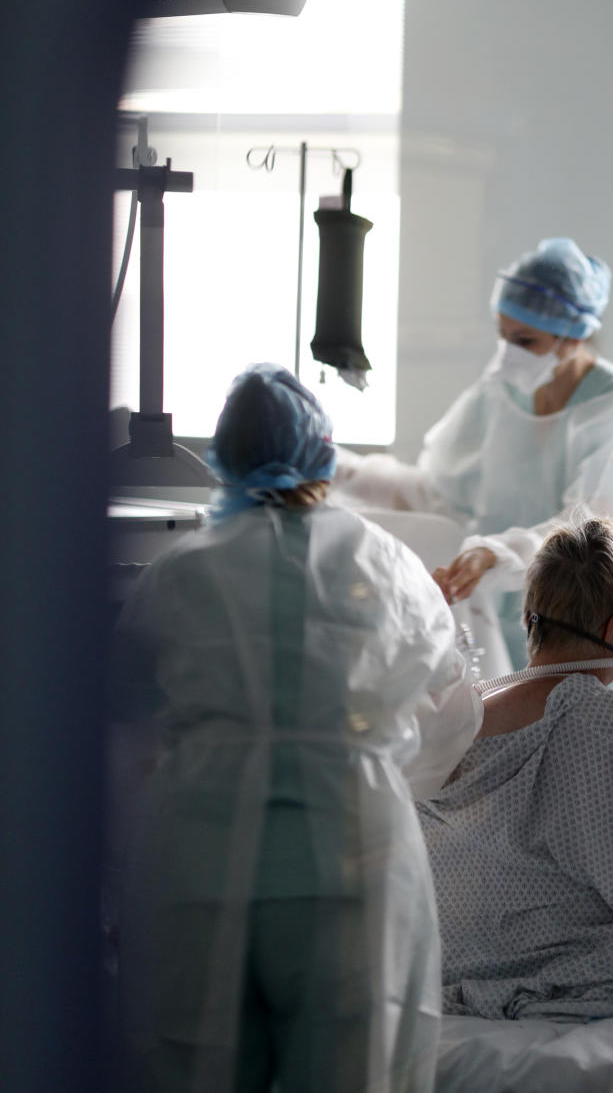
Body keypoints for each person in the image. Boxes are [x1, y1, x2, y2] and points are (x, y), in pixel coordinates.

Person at [112, 364, 481, 1093]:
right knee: (353, 1062)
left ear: (223, 457)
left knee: (197, 1058)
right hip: (355, 846)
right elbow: (454, 715)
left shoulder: (182, 570)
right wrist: (381, 764)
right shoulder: (387, 565)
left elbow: (123, 722)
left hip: (202, 851)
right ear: (322, 451)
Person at [337, 237, 613, 704]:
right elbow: (435, 491)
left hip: (602, 620)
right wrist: (339, 471)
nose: (509, 352)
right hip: (523, 611)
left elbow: (596, 538)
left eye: (526, 340)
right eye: (503, 335)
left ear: (572, 335)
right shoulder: (501, 393)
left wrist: (497, 555)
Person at [418, 517, 613, 1020]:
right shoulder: (607, 723)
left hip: (457, 982)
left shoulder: (458, 713)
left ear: (530, 618)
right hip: (592, 985)